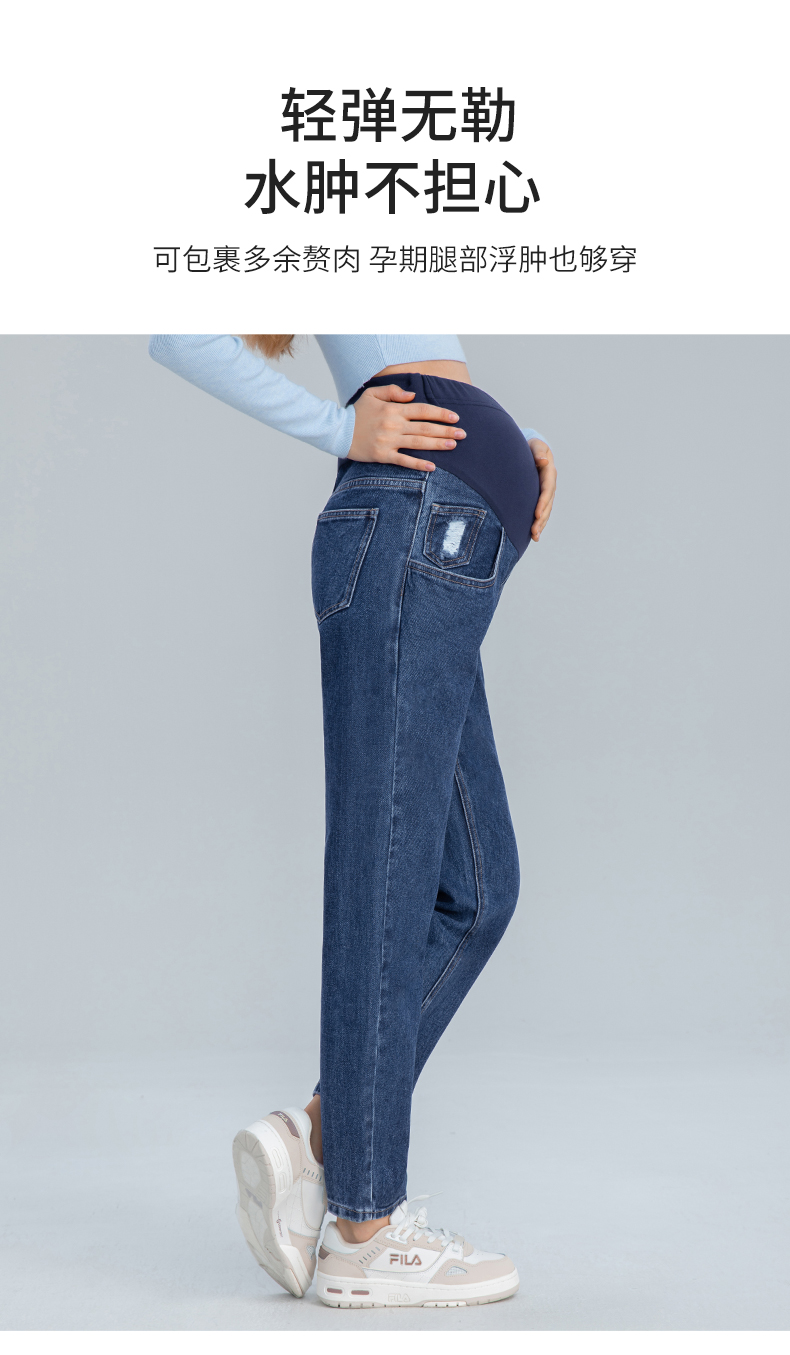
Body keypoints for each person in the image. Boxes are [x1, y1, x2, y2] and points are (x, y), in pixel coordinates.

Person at [148, 333, 557, 1308]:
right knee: (389, 867)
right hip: (416, 523)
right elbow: (177, 330)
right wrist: (339, 429)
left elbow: (417, 348)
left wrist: (512, 443)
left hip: (442, 528)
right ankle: (364, 1231)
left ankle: (324, 1133)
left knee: (477, 889)